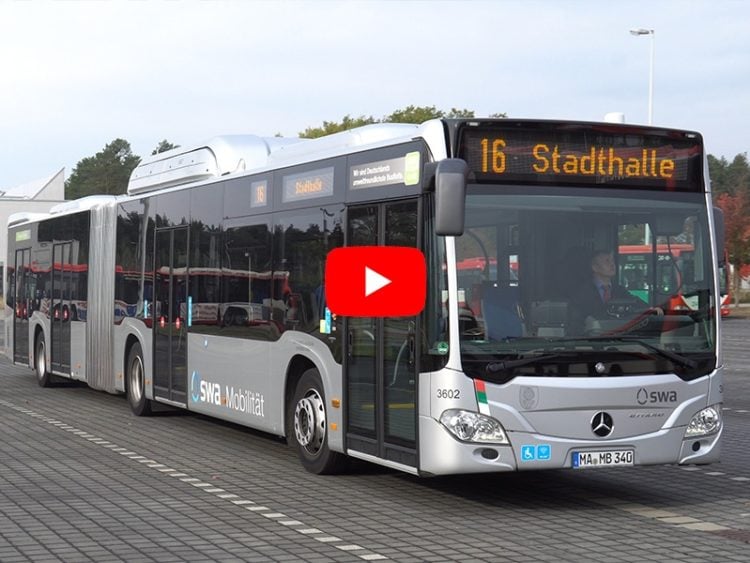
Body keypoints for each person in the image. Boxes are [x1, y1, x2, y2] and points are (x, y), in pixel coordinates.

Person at [567, 249, 644, 335]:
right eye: (607, 261)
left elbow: (639, 306)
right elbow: (575, 325)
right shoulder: (581, 293)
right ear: (595, 267)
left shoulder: (620, 290)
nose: (612, 264)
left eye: (612, 261)